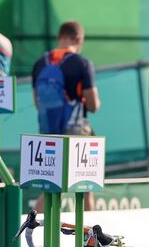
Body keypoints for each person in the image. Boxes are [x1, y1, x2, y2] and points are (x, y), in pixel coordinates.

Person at [31, 20, 101, 210]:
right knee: (87, 186)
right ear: (78, 39)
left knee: (51, 188)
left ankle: (31, 222)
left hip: (48, 133)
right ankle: (88, 230)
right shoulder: (82, 63)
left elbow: (37, 102)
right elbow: (93, 105)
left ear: (59, 37)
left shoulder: (40, 63)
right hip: (76, 132)